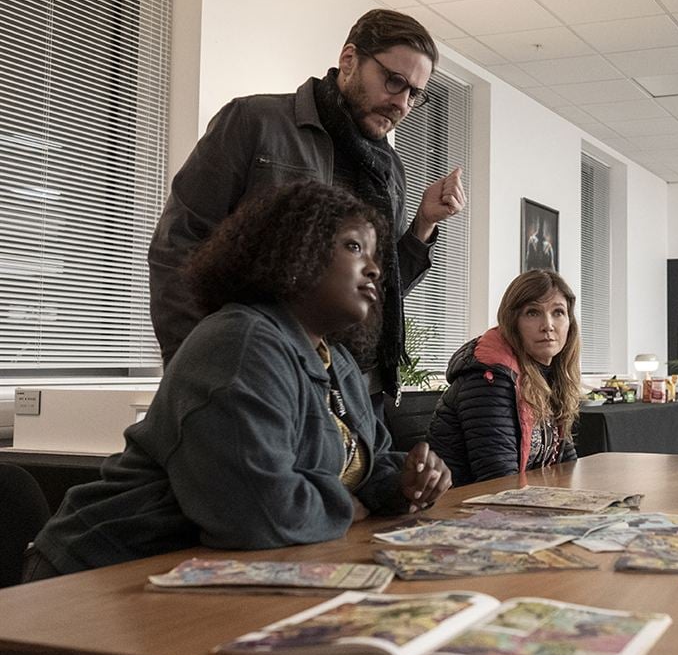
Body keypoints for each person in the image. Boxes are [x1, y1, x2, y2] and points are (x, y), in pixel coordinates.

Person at [24, 182, 451, 580]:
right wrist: (346, 506)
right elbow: (257, 514)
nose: (375, 269)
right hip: (105, 573)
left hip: (215, 571)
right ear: (295, 250)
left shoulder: (336, 362)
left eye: (375, 255)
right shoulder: (240, 343)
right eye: (354, 247)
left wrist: (406, 481)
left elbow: (363, 468)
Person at [148, 8, 466, 417]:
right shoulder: (254, 122)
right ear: (349, 60)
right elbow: (178, 246)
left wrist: (424, 224)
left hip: (355, 390)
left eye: (413, 94)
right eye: (393, 81)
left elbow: (376, 290)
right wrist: (196, 368)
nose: (401, 103)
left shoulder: (390, 170)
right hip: (258, 375)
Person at [426, 270, 581, 485]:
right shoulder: (489, 378)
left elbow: (566, 465)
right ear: (512, 321)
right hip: (462, 508)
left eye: (558, 312)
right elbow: (499, 478)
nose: (548, 325)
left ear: (569, 322)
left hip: (520, 502)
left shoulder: (549, 375)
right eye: (532, 313)